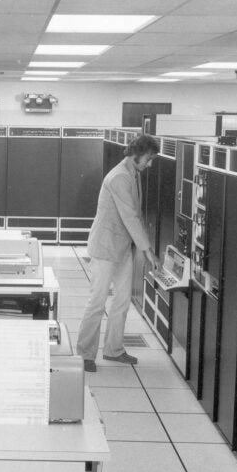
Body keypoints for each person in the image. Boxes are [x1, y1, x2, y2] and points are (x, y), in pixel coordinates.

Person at [77, 134, 160, 373]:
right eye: (149, 158)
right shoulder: (119, 177)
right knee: (97, 301)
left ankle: (113, 350)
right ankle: (84, 355)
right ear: (136, 153)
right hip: (105, 247)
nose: (150, 164)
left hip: (122, 247)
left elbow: (135, 215)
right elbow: (130, 216)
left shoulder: (132, 173)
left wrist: (143, 248)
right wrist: (146, 249)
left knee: (122, 301)